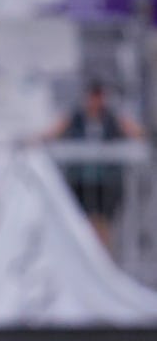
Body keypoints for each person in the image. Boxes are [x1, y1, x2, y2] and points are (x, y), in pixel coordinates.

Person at [39, 81, 144, 251]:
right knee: (83, 225)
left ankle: (101, 262)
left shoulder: (112, 117)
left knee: (102, 224)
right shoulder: (75, 117)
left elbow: (134, 131)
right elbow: (53, 133)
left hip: (106, 182)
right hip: (81, 181)